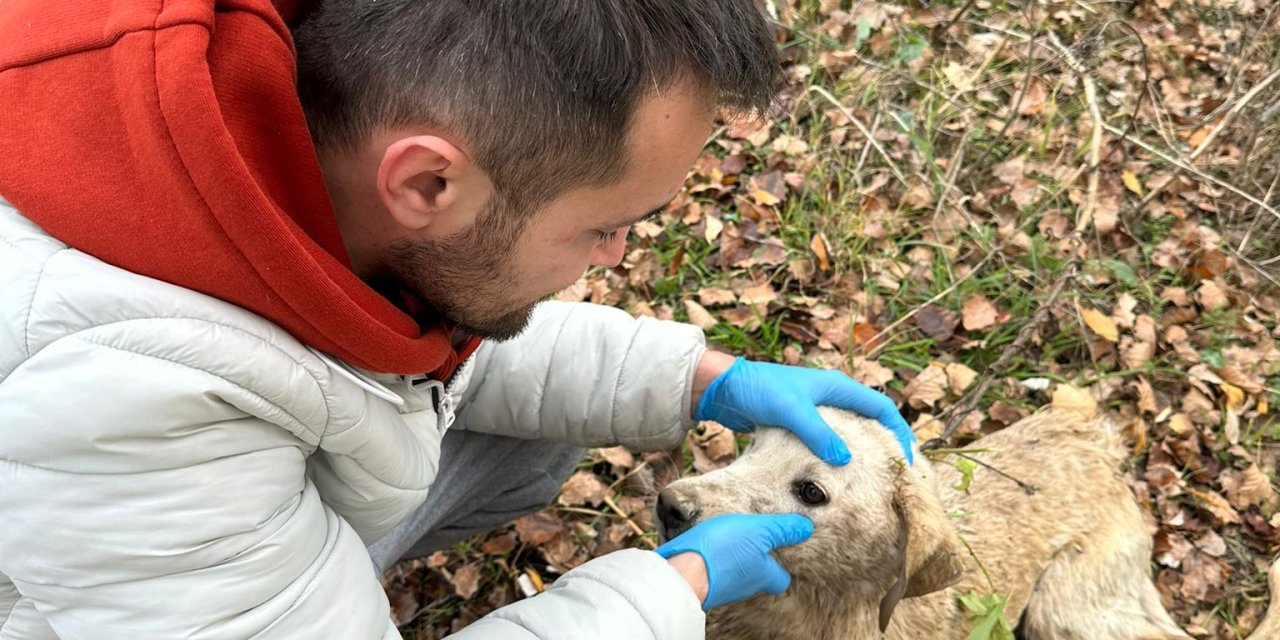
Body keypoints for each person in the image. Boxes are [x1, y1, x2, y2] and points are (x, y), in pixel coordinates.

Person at [0, 0, 915, 638]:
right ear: (428, 182)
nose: (615, 259)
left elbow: (431, 343)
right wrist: (680, 588)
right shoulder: (118, 391)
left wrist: (701, 380)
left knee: (549, 430)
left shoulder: (299, 122)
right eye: (603, 226)